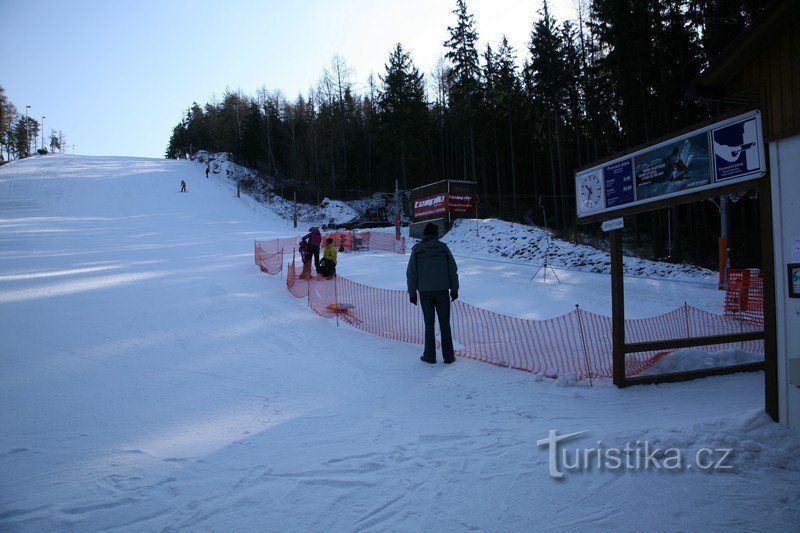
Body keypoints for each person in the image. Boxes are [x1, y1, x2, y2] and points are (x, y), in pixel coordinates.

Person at [406, 222, 459, 364]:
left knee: (429, 325)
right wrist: (454, 289)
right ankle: (449, 356)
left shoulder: (417, 250)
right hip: (442, 292)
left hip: (425, 293)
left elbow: (411, 274)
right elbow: (452, 270)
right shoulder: (443, 248)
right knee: (445, 325)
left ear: (424, 234)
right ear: (436, 235)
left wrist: (412, 293)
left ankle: (429, 356)